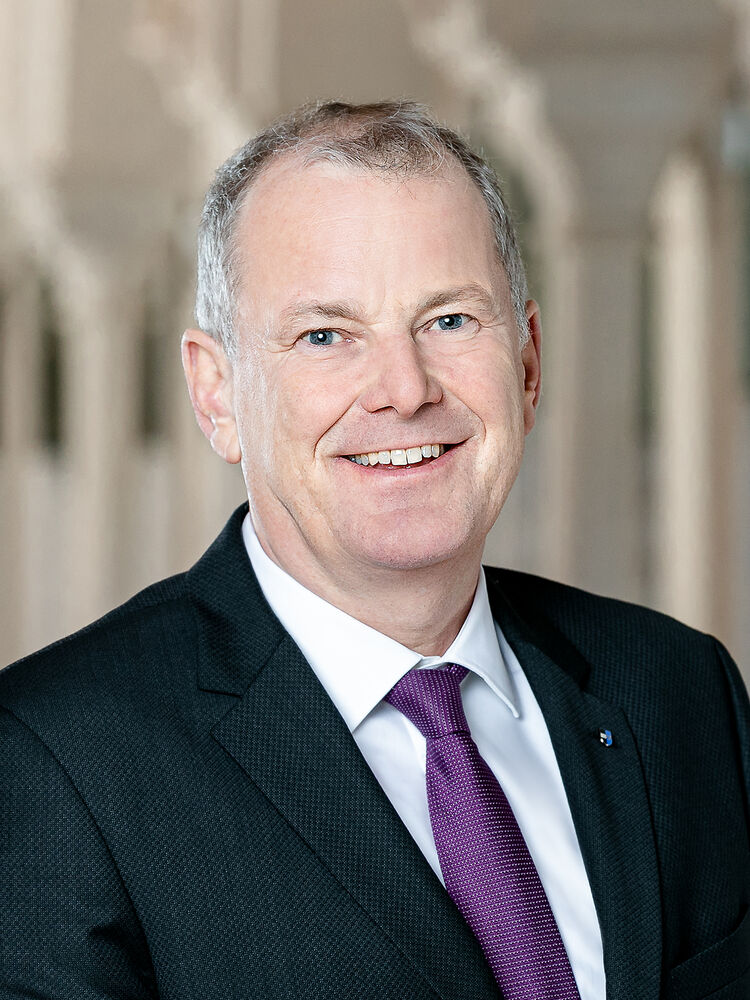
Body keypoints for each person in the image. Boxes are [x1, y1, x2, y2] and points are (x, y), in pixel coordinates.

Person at [1, 101, 748, 1000]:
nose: (404, 389)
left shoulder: (681, 691)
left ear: (528, 363)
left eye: (450, 321)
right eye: (325, 336)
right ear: (217, 394)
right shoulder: (54, 762)